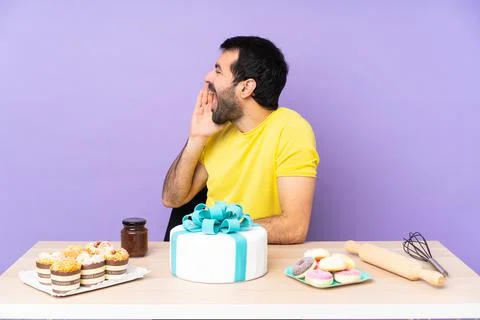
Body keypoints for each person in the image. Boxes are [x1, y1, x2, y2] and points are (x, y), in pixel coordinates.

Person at [162, 36, 319, 244]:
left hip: (257, 258)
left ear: (246, 88)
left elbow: (294, 228)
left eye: (218, 71)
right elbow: (172, 199)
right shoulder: (219, 131)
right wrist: (196, 138)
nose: (208, 77)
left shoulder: (291, 129)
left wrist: (222, 231)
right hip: (210, 252)